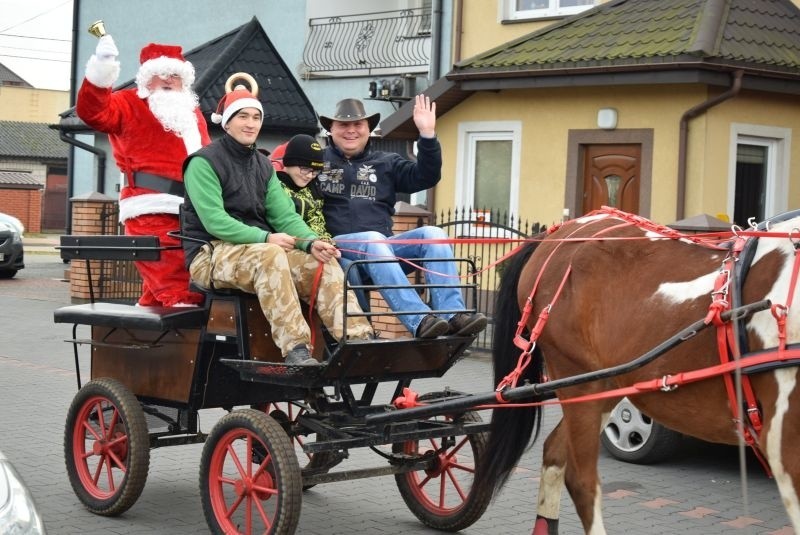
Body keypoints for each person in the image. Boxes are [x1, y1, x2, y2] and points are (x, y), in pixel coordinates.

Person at [181, 84, 374, 366]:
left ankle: (358, 341)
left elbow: (284, 216)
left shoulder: (263, 165)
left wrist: (312, 242)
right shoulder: (202, 163)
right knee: (271, 255)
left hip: (255, 248)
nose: (250, 124)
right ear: (227, 122)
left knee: (322, 262)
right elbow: (215, 222)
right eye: (242, 116)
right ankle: (296, 348)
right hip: (211, 253)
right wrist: (266, 238)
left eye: (256, 117)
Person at [317, 96, 487, 339]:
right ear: (331, 129)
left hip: (382, 253)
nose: (351, 130)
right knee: (374, 239)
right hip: (338, 250)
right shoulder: (316, 162)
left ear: (368, 129)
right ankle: (418, 320)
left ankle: (453, 314)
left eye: (358, 125)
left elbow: (426, 176)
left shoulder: (387, 162)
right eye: (344, 125)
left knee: (433, 234)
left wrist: (427, 135)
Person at [76, 34, 209, 307]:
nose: (170, 79)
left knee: (162, 294)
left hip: (194, 210)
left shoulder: (190, 112)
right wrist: (102, 70)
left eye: (175, 74)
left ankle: (132, 344)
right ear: (147, 78)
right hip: (151, 209)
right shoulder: (127, 103)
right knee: (181, 291)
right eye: (162, 73)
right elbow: (92, 112)